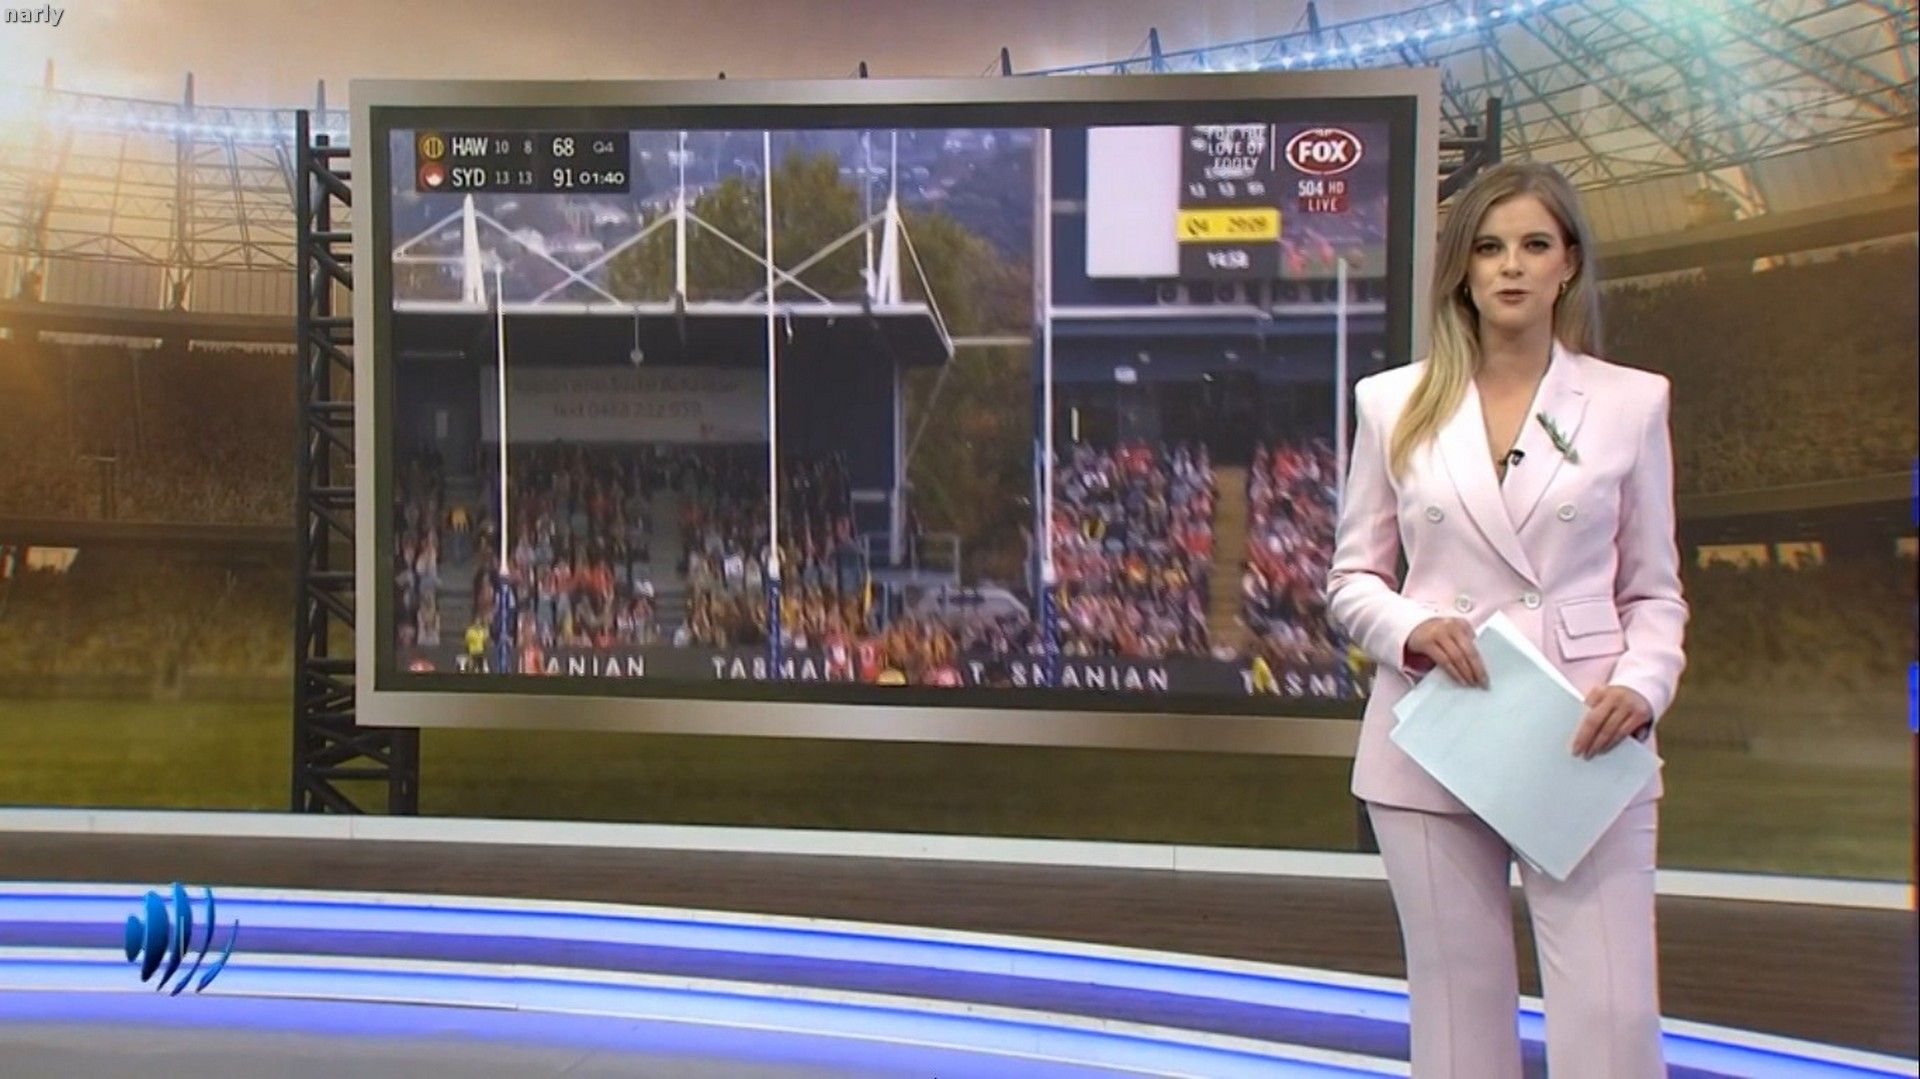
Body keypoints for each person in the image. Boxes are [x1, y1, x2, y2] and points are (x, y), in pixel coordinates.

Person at [1326, 161, 1686, 1079]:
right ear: (1463, 269)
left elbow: (1654, 592)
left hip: (1583, 735)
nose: (1512, 266)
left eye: (1533, 244)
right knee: (1459, 1008)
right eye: (1489, 247)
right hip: (1438, 732)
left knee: (1611, 1011)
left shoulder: (1632, 402)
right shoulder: (1392, 401)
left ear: (1569, 263)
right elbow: (1353, 578)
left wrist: (1643, 687)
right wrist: (1410, 628)